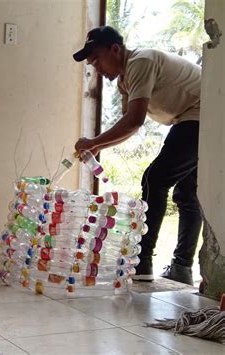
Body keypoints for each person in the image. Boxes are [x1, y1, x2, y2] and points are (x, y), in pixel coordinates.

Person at [72, 26, 202, 286]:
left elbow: (135, 120)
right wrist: (98, 147)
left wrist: (94, 141)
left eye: (97, 59)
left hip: (205, 113)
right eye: (91, 64)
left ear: (115, 49)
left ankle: (142, 262)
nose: (96, 68)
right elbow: (130, 126)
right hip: (192, 116)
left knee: (155, 178)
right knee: (186, 194)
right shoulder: (125, 80)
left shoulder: (140, 62)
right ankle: (182, 267)